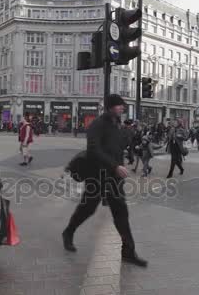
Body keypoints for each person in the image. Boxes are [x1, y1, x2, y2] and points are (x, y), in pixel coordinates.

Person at [62, 94, 148, 267]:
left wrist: (130, 134)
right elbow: (94, 149)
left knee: (121, 214)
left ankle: (128, 251)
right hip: (98, 176)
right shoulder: (97, 124)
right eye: (119, 106)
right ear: (110, 107)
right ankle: (68, 232)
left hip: (114, 179)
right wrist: (114, 166)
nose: (122, 108)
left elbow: (117, 147)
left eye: (122, 106)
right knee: (87, 209)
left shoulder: (117, 124)